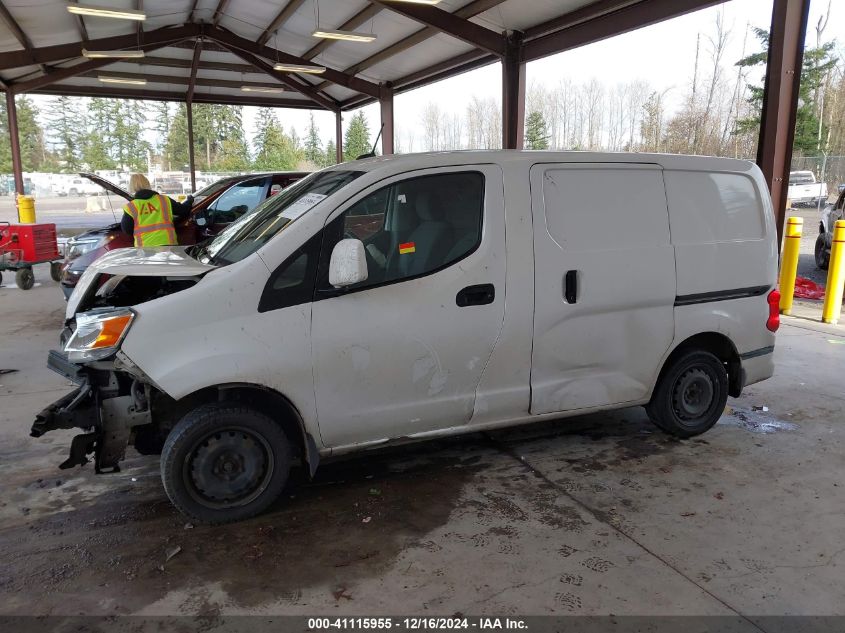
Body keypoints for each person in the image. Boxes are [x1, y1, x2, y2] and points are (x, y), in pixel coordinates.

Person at [121, 174, 193, 247]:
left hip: (144, 247)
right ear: (147, 183)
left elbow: (127, 230)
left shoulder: (131, 207)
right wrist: (189, 201)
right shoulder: (164, 200)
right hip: (168, 244)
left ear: (131, 186)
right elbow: (184, 210)